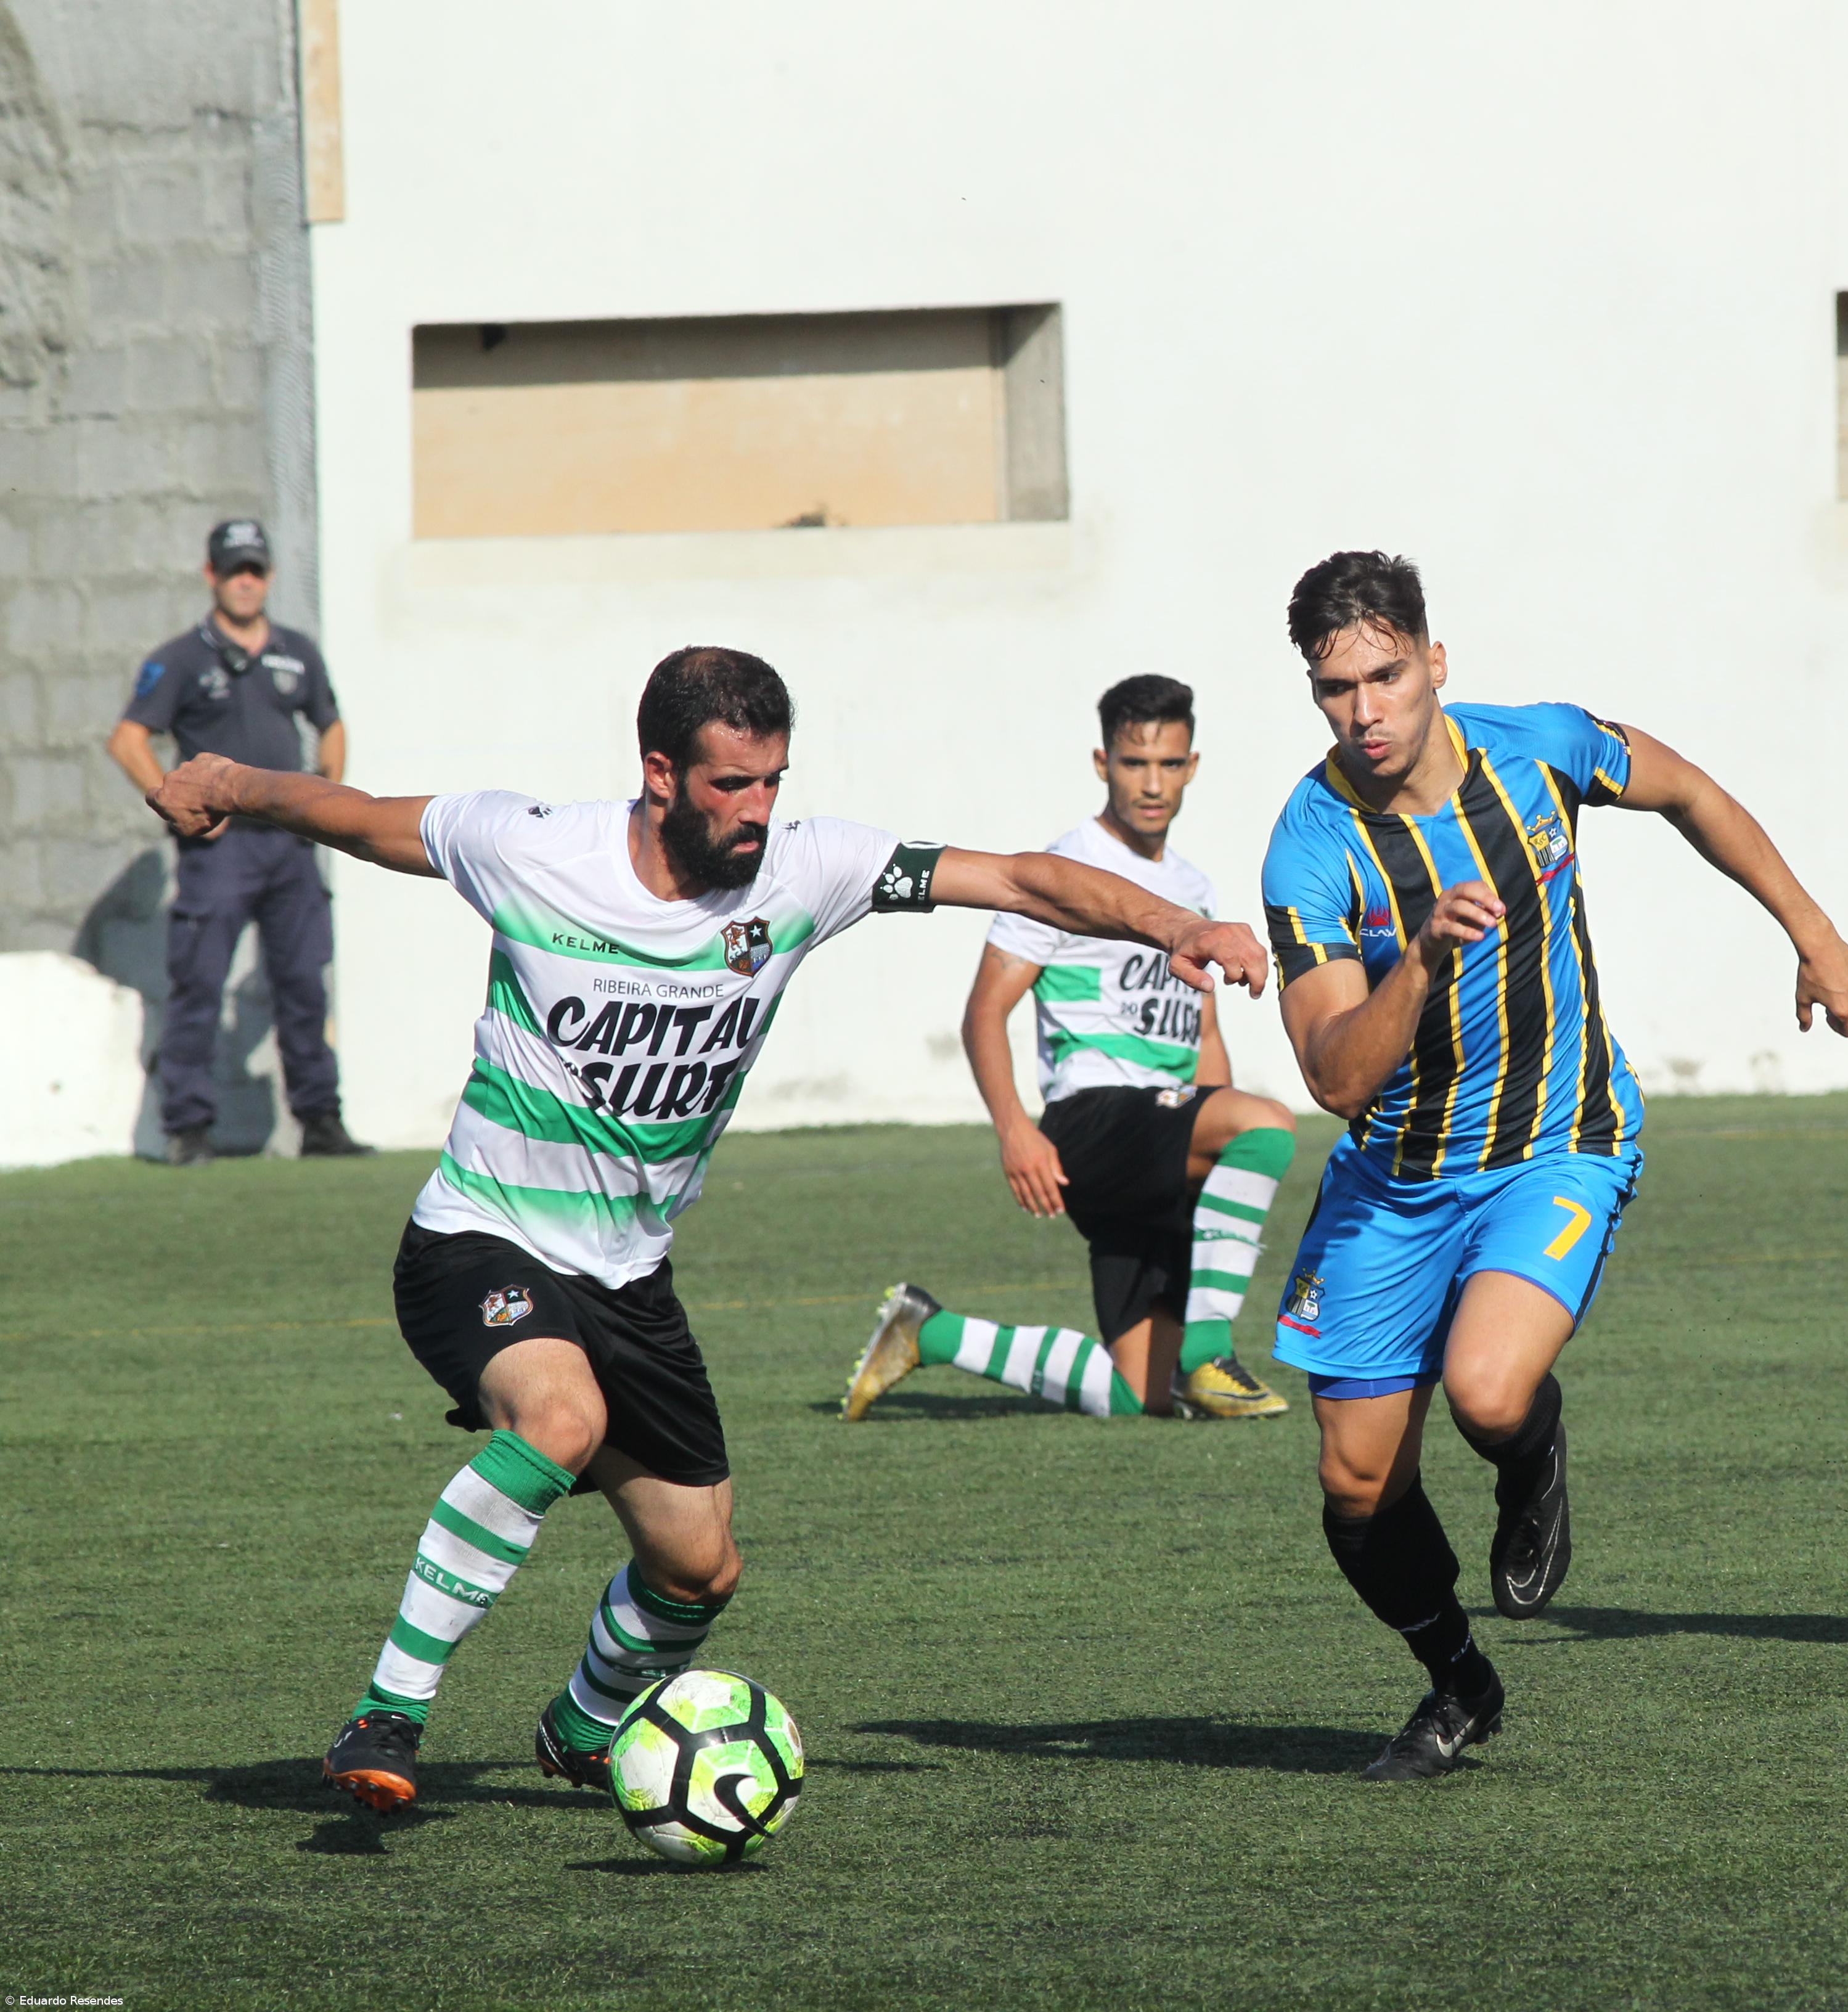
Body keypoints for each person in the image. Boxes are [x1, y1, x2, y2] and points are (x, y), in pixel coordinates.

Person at [141, 645, 1266, 1815]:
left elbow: (1026, 881)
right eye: (733, 784)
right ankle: (388, 1708)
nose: (758, 811)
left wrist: (1168, 922)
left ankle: (582, 1725)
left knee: (697, 1565)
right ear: (660, 772)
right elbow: (363, 818)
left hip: (632, 1278)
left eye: (774, 781)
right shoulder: (532, 848)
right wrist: (231, 775)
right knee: (560, 1416)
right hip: (480, 1238)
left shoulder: (806, 870)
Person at [1264, 551, 1848, 1778]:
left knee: (1488, 1391)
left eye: (1387, 676)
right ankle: (1457, 1683)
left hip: (1560, 1139)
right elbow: (1334, 1075)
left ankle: (1531, 1451)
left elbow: (1690, 790)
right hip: (1394, 1182)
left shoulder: (1539, 749)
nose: (1365, 711)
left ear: (1436, 665)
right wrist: (1421, 959)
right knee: (1352, 1484)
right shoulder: (1312, 845)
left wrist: (1813, 931)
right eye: (1337, 690)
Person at [844, 674, 1297, 1422]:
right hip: (1093, 1123)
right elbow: (985, 1013)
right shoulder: (1068, 869)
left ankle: (930, 1332)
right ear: (1102, 763)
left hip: (1164, 1133)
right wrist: (1015, 1129)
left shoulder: (1195, 889)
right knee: (1270, 1127)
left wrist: (1212, 1120)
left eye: (1169, 764)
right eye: (1133, 763)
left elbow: (1203, 1031)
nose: (1152, 784)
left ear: (1192, 767)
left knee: (1139, 1393)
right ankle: (1211, 1354)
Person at [104, 518, 367, 1161]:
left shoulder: (298, 651)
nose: (244, 582)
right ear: (211, 576)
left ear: (269, 577)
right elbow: (128, 739)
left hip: (289, 847)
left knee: (305, 983)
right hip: (218, 851)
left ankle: (320, 1122)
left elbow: (331, 725)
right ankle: (189, 1127)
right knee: (201, 984)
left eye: (254, 570)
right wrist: (175, 803)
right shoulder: (180, 658)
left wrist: (326, 797)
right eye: (232, 571)